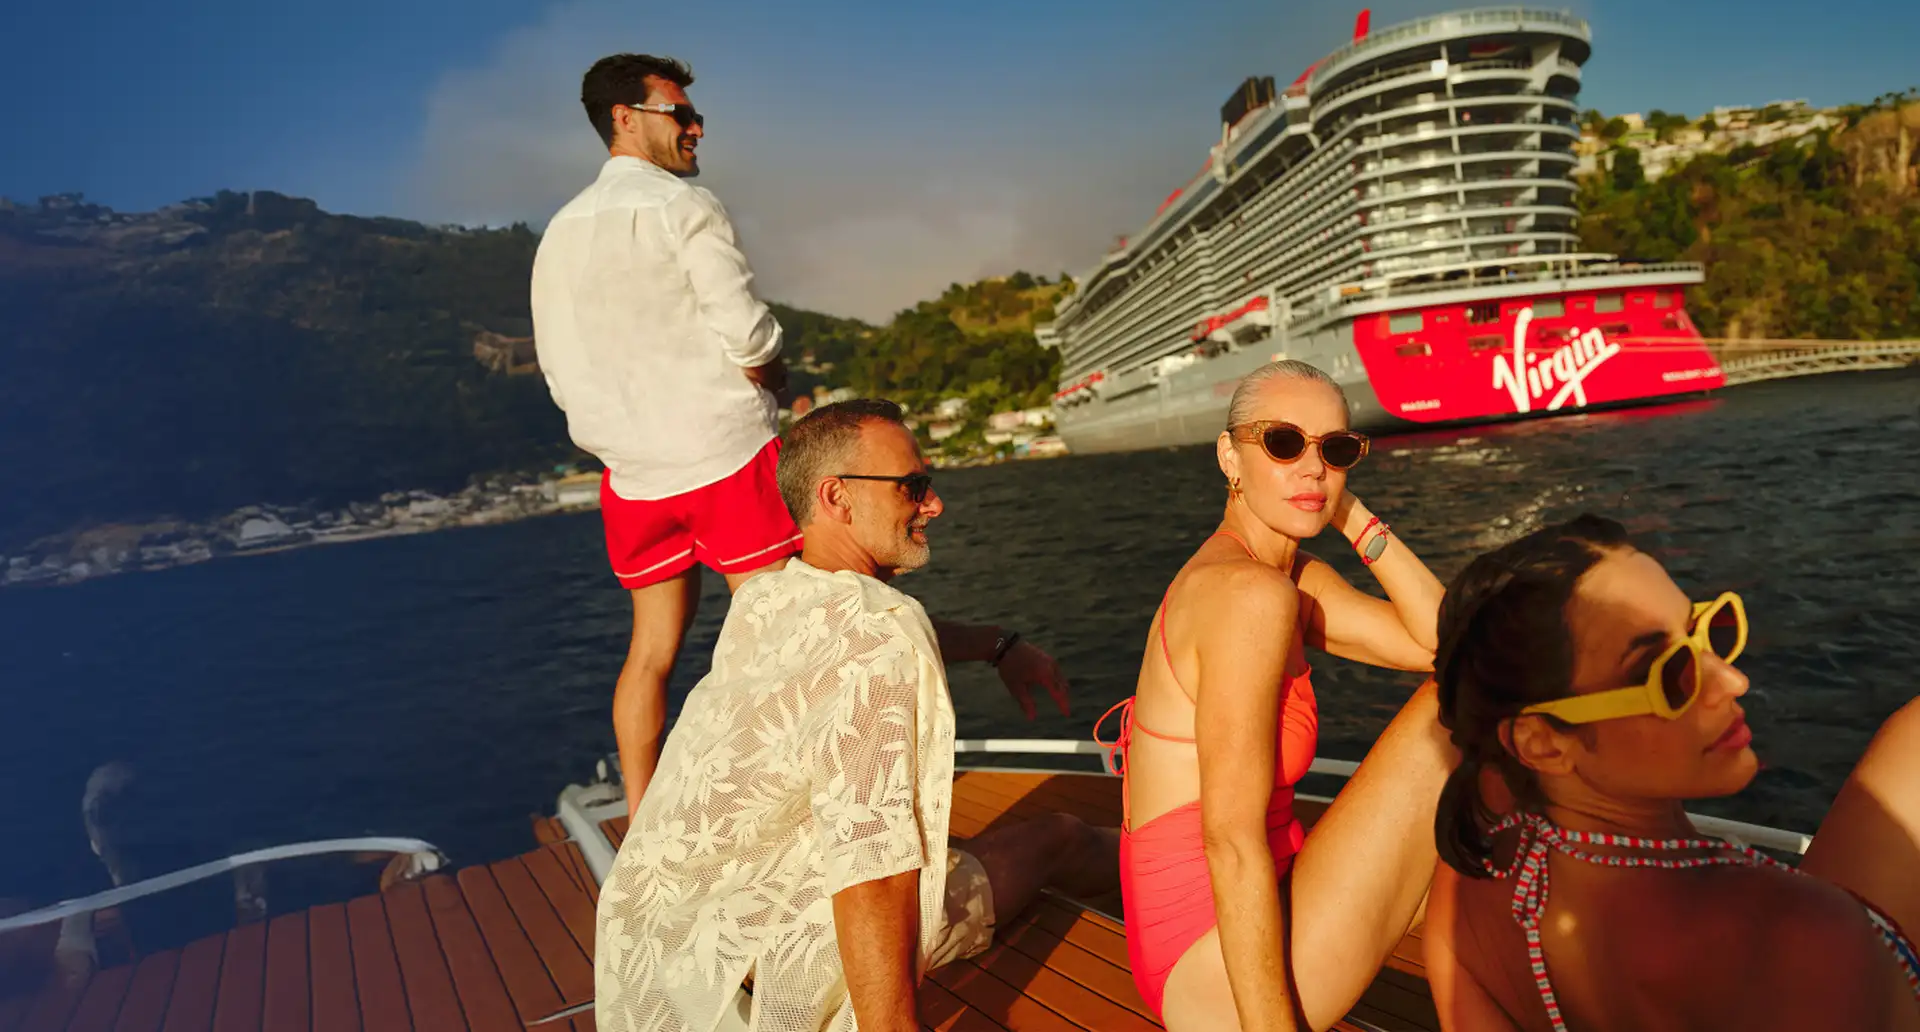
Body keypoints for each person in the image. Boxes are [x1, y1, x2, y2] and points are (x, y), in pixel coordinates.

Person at [531, 55, 1066, 814]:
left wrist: (617, 441)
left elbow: (559, 370)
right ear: (625, 117)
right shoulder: (684, 207)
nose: (696, 126)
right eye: (678, 113)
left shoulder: (558, 235)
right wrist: (774, 377)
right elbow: (748, 336)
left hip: (632, 477)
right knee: (801, 632)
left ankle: (645, 819)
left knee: (648, 657)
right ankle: (815, 800)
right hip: (722, 457)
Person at [593, 399, 1119, 1032]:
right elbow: (872, 874)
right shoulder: (880, 637)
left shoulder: (767, 593)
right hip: (771, 976)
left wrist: (994, 644)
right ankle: (1187, 872)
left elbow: (873, 630)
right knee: (1059, 838)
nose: (934, 505)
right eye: (913, 487)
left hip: (663, 958)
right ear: (837, 498)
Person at [1423, 515, 1920, 1031]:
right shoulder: (1804, 934)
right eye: (1666, 675)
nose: (1732, 680)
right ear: (1542, 743)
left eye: (1704, 631)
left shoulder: (1478, 869)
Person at [1094, 359, 1457, 1031]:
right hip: (1210, 968)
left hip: (1246, 911)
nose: (1313, 466)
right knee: (1468, 706)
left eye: (1337, 450)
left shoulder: (1286, 576)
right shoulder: (1248, 594)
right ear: (1230, 455)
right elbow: (1229, 842)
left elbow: (1443, 643)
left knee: (1471, 683)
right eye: (1285, 443)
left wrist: (1349, 515)